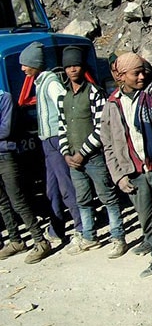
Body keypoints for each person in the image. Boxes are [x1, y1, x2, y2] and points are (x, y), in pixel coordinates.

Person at [101, 52, 152, 277]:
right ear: (122, 76)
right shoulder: (113, 104)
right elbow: (108, 143)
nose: (142, 76)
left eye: (143, 71)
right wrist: (119, 176)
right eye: (136, 73)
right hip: (133, 172)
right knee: (147, 218)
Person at [57, 45, 127, 258]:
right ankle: (89, 236)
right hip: (74, 160)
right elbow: (62, 127)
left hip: (94, 158)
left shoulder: (95, 93)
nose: (72, 70)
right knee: (83, 199)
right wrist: (66, 154)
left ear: (82, 67)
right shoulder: (63, 97)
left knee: (108, 197)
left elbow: (100, 128)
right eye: (68, 66)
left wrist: (82, 153)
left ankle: (118, 237)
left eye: (76, 65)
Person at [19, 41, 82, 244]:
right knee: (51, 189)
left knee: (66, 187)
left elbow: (64, 107)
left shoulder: (51, 83)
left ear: (35, 64)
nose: (22, 68)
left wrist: (63, 137)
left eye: (25, 64)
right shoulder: (40, 82)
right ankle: (56, 229)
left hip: (56, 140)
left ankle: (82, 228)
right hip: (47, 141)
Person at [0, 87, 52, 264]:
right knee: (2, 202)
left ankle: (40, 241)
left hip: (5, 156)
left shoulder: (4, 98)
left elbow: (5, 129)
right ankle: (15, 241)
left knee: (18, 200)